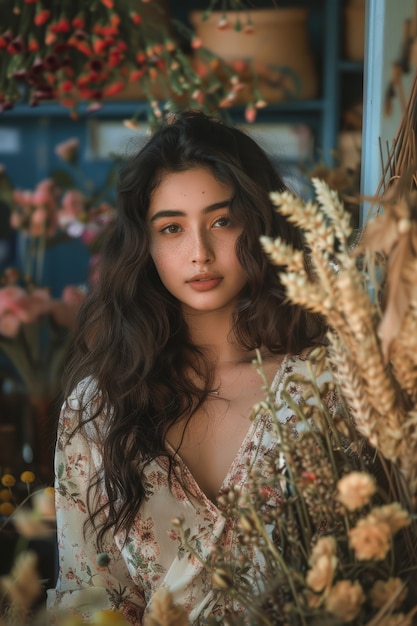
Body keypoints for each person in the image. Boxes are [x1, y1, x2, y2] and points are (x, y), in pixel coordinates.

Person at [47, 110, 336, 624]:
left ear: (260, 223)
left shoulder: (326, 389)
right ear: (146, 245)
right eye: (172, 227)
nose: (199, 253)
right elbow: (85, 600)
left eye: (222, 221)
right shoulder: (99, 407)